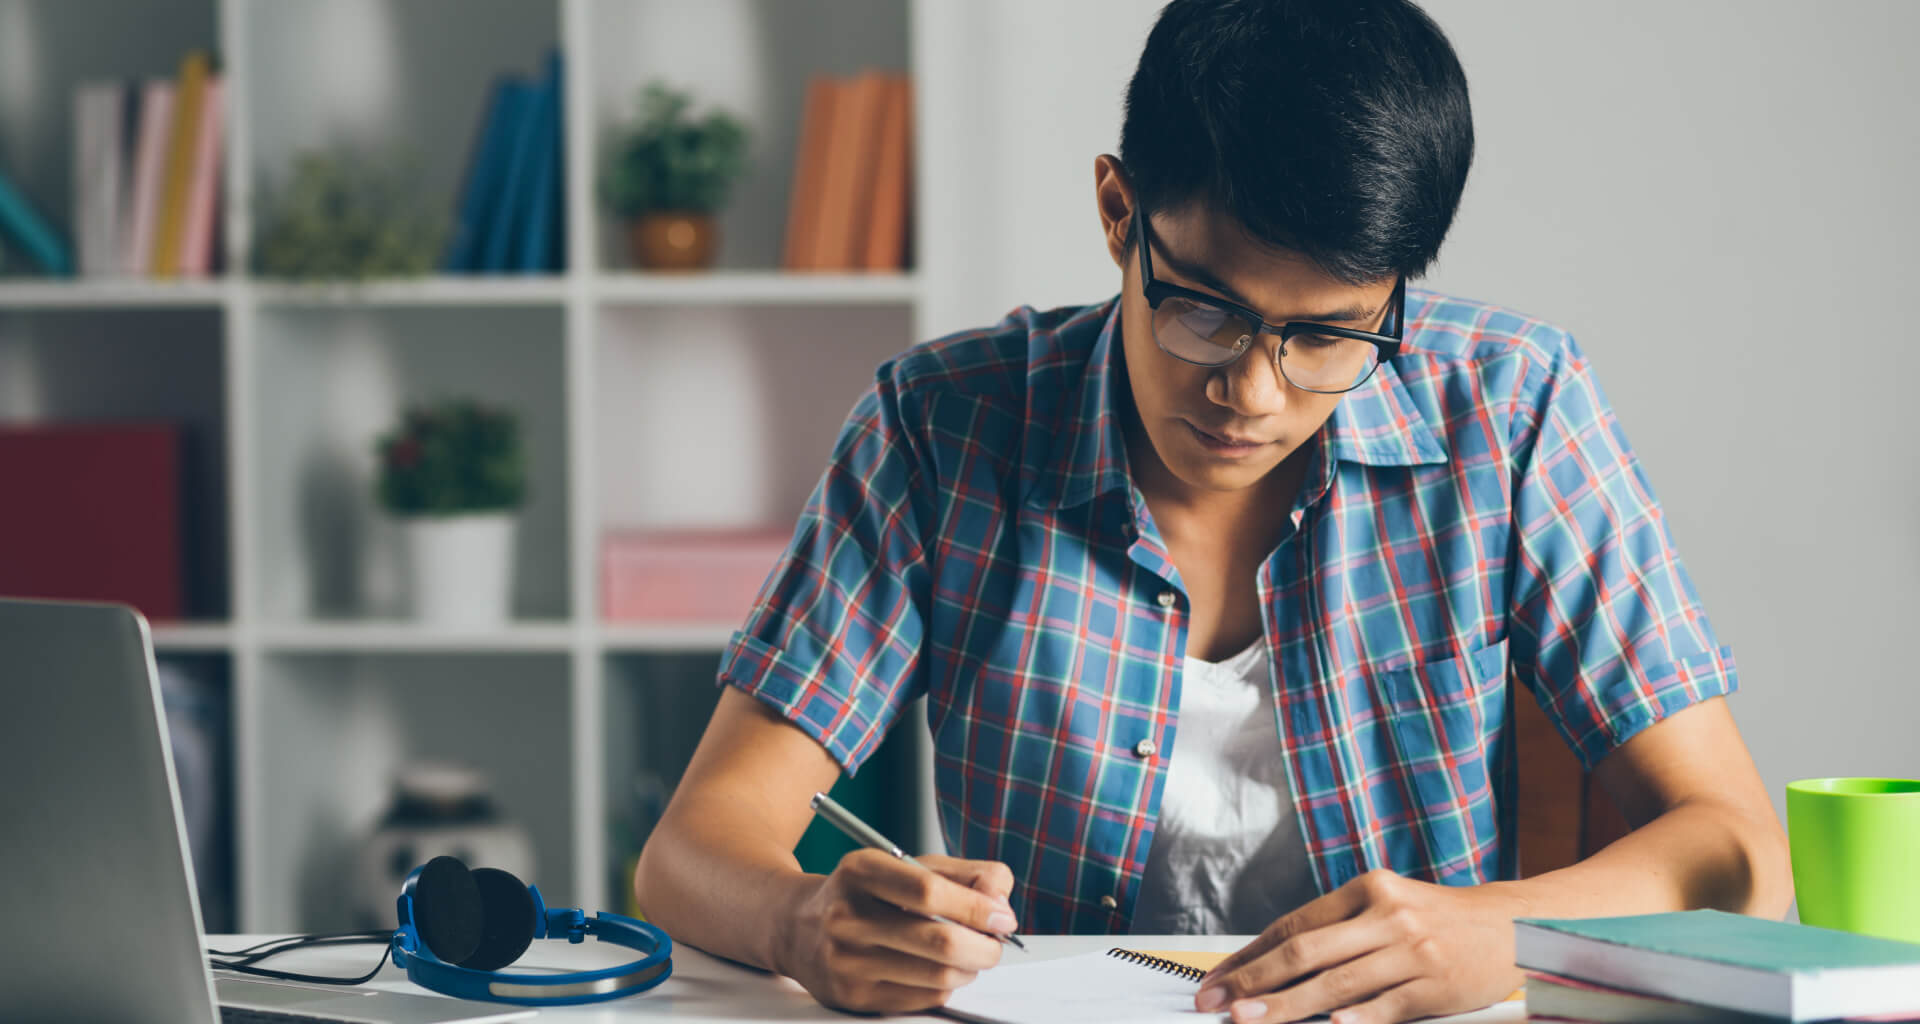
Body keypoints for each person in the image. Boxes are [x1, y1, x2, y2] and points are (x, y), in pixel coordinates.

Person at [634, 1, 1793, 1022]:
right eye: (1206, 310)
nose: (1251, 390)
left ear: (1395, 293)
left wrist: (1502, 932)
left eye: (1328, 334)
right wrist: (800, 922)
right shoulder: (943, 424)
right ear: (1118, 211)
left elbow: (1738, 846)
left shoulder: (1515, 406)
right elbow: (692, 847)